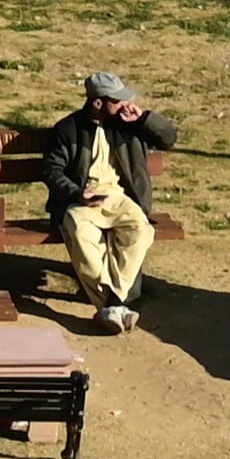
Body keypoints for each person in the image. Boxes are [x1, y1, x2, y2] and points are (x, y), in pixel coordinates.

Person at [42, 73, 176, 333]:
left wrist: (144, 118)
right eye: (117, 100)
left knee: (140, 229)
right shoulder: (67, 129)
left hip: (120, 198)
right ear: (98, 103)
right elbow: (52, 170)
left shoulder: (129, 124)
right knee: (80, 236)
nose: (124, 104)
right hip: (83, 199)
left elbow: (168, 139)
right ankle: (116, 306)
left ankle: (111, 305)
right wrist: (75, 193)